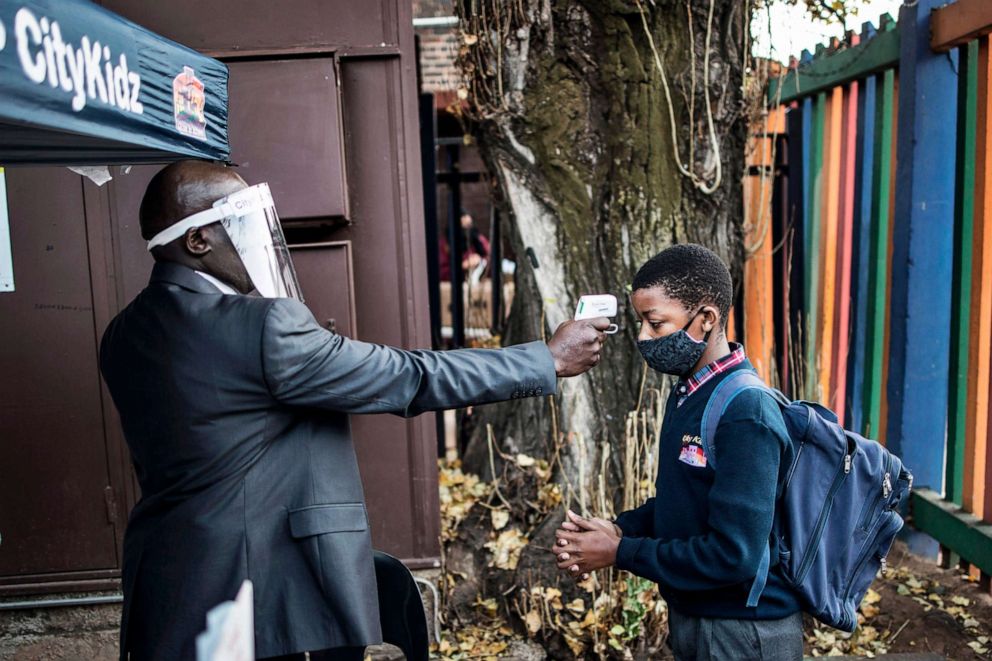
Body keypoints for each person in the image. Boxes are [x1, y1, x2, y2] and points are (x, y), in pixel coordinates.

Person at [99, 160, 609, 661]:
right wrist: (546, 359)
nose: (256, 241)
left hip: (168, 581)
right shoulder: (262, 326)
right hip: (262, 589)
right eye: (241, 225)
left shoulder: (122, 334)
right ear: (197, 241)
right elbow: (408, 376)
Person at [551, 244, 803, 661]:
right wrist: (620, 529)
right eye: (640, 323)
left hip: (744, 632)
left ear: (706, 319)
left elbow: (733, 555)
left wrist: (620, 553)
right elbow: (686, 505)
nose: (643, 338)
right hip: (697, 617)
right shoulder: (691, 394)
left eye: (655, 323)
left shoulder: (747, 412)